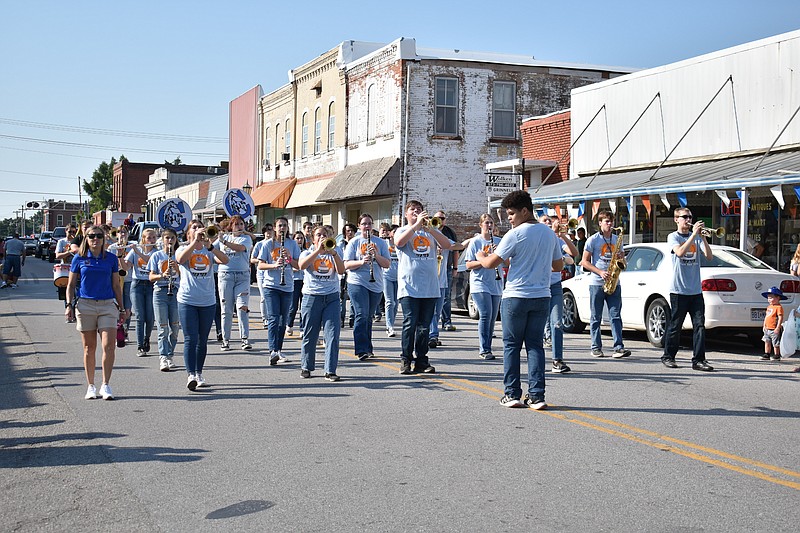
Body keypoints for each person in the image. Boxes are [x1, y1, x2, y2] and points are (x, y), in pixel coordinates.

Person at [475, 190, 563, 409]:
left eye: (512, 213)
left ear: (525, 211)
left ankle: (512, 393)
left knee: (512, 346)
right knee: (535, 346)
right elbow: (559, 266)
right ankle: (537, 396)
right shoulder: (549, 233)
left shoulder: (515, 234)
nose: (509, 218)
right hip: (542, 295)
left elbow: (490, 264)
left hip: (516, 296)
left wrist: (480, 256)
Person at [394, 200, 457, 374]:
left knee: (424, 326)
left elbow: (446, 245)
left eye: (419, 210)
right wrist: (415, 226)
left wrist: (431, 230)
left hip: (430, 286)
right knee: (410, 323)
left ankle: (421, 360)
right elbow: (399, 242)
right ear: (406, 215)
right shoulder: (402, 230)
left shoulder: (431, 232)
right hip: (409, 286)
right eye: (412, 210)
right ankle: (405, 358)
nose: (416, 212)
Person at [65, 226, 125, 400]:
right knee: (89, 348)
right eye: (91, 236)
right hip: (85, 305)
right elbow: (70, 285)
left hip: (107, 305)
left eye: (99, 236)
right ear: (86, 238)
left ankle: (105, 384)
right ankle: (90, 385)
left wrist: (122, 308)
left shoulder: (111, 259)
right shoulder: (79, 258)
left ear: (104, 238)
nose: (95, 239)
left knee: (109, 346)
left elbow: (116, 285)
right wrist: (69, 305)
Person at [176, 219, 229, 390]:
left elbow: (225, 260)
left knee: (203, 340)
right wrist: (194, 243)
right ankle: (190, 374)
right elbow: (180, 259)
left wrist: (210, 246)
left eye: (201, 227)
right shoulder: (183, 248)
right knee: (190, 338)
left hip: (207, 301)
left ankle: (199, 372)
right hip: (187, 300)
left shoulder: (209, 250)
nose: (199, 230)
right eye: (194, 228)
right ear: (188, 233)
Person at [660, 208, 714, 371]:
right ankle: (668, 356)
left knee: (699, 326)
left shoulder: (697, 237)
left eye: (690, 216)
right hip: (679, 290)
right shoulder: (673, 237)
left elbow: (710, 257)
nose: (688, 220)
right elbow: (680, 252)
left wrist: (702, 238)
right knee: (676, 325)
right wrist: (693, 235)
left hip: (696, 290)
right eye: (685, 217)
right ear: (676, 219)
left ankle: (698, 360)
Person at [580, 210, 631, 359]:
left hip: (614, 282)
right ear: (600, 223)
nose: (610, 224)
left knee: (616, 316)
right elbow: (584, 262)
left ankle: (619, 347)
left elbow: (623, 264)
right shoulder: (593, 240)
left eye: (611, 221)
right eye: (607, 222)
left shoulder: (617, 239)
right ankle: (596, 347)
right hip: (597, 282)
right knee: (595, 316)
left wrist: (622, 258)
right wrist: (600, 272)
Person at [298, 225, 346, 381]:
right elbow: (302, 266)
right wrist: (318, 251)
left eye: (325, 235)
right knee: (310, 334)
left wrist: (333, 253)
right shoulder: (307, 252)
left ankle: (330, 370)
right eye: (318, 235)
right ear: (313, 239)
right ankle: (306, 366)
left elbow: (341, 270)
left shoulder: (335, 252)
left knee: (332, 335)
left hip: (331, 297)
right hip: (312, 297)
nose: (322, 237)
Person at [344, 213, 391, 360]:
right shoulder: (354, 242)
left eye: (369, 223)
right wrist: (361, 262)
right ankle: (361, 349)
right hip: (357, 282)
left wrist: (376, 255)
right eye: (364, 224)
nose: (367, 226)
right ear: (359, 226)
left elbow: (387, 264)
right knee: (361, 314)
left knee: (368, 317)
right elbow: (346, 264)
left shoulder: (381, 243)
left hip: (375, 284)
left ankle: (368, 347)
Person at [257, 217, 300, 364]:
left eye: (285, 226)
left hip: (287, 286)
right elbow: (260, 265)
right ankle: (272, 350)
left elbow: (298, 265)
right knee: (274, 318)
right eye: (280, 226)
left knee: (283, 321)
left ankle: (279, 350)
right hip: (271, 286)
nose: (282, 228)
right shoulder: (267, 244)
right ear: (275, 228)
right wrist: (274, 265)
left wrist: (289, 259)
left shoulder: (292, 244)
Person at [538, 215, 577, 373]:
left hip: (554, 286)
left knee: (557, 323)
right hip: (538, 286)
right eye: (544, 221)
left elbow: (573, 255)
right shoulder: (537, 240)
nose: (548, 223)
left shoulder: (558, 240)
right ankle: (536, 360)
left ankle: (557, 360)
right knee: (537, 326)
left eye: (549, 221)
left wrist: (563, 237)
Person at [464, 214, 505, 360]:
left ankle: (488, 345)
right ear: (481, 225)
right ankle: (484, 348)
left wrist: (497, 256)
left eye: (491, 223)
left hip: (495, 282)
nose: (489, 225)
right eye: (486, 223)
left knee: (493, 317)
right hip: (479, 283)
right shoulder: (475, 242)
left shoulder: (499, 242)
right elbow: (468, 264)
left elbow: (506, 262)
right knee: (485, 314)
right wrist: (485, 259)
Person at [216, 215, 254, 351]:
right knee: (226, 309)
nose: (239, 226)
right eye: (236, 224)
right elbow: (212, 252)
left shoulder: (246, 238)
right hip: (225, 276)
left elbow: (240, 248)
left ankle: (245, 339)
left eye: (241, 224)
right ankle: (225, 340)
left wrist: (224, 242)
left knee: (242, 307)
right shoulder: (223, 238)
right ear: (231, 226)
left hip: (242, 276)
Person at [148, 229, 181, 372]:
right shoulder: (156, 255)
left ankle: (170, 355)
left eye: (172, 238)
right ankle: (163, 356)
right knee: (163, 327)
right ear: (162, 239)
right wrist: (162, 275)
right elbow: (150, 277)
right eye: (167, 238)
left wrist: (177, 268)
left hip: (176, 291)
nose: (169, 241)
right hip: (160, 291)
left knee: (174, 327)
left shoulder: (179, 255)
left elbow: (185, 275)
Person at [125, 228, 157, 356]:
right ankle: (140, 346)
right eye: (149, 238)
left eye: (154, 237)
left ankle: (146, 338)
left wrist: (136, 250)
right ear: (143, 239)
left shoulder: (156, 252)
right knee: (139, 316)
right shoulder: (134, 252)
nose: (152, 240)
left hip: (150, 285)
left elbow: (150, 261)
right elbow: (126, 267)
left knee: (150, 317)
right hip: (137, 284)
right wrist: (121, 254)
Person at [106, 226, 133, 337]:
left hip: (128, 279)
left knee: (127, 308)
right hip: (116, 279)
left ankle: (125, 330)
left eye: (124, 232)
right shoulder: (112, 248)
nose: (122, 234)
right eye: (120, 232)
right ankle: (119, 329)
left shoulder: (131, 247)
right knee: (117, 306)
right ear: (116, 235)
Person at [436, 210, 459, 332]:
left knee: (446, 296)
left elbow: (456, 250)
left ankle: (446, 321)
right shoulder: (430, 231)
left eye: (442, 218)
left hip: (447, 267)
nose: (440, 220)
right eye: (437, 218)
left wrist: (455, 267)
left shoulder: (449, 232)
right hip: (432, 270)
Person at [380, 223, 399, 337]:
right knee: (389, 301)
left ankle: (391, 321)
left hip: (399, 277)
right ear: (390, 233)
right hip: (386, 276)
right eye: (394, 232)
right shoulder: (385, 243)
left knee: (396, 303)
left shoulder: (401, 244)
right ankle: (389, 326)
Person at [251, 225, 272, 330]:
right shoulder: (259, 244)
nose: (269, 232)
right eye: (267, 230)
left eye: (271, 230)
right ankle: (265, 318)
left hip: (272, 273)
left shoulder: (275, 244)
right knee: (264, 296)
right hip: (262, 274)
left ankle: (272, 317)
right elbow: (252, 259)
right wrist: (261, 260)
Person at [287, 230, 307, 336]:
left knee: (304, 306)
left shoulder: (306, 251)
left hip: (304, 280)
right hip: (294, 280)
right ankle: (289, 325)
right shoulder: (291, 250)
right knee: (293, 306)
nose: (299, 240)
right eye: (297, 238)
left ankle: (302, 328)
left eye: (301, 238)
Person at [760, 286, 786, 361]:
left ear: (778, 298)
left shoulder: (779, 307)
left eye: (771, 298)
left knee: (775, 343)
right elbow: (767, 316)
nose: (769, 300)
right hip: (767, 328)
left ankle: (777, 355)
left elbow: (780, 317)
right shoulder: (769, 307)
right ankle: (767, 353)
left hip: (774, 328)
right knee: (767, 341)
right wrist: (764, 325)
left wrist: (778, 327)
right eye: (768, 298)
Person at [338, 223, 357, 328]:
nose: (350, 233)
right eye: (347, 231)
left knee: (353, 297)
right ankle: (341, 318)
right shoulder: (340, 244)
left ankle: (352, 317)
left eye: (351, 231)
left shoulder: (356, 243)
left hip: (353, 272)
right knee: (342, 297)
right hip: (342, 274)